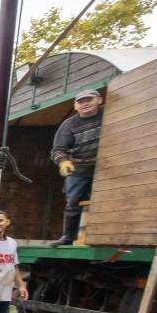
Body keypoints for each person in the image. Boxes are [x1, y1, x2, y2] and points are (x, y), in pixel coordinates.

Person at [49, 87, 104, 246]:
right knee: (73, 202)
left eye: (89, 100)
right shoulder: (69, 124)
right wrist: (63, 161)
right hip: (79, 168)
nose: (85, 104)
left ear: (99, 100)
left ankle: (103, 237)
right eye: (81, 101)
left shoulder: (110, 114)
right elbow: (58, 149)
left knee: (105, 200)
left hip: (106, 166)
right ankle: (68, 237)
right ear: (75, 105)